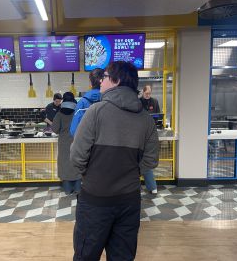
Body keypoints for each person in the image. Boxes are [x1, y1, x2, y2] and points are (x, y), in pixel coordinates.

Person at [70, 61, 159, 261]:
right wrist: (130, 173)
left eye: (105, 76)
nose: (101, 80)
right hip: (129, 201)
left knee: (86, 255)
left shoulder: (95, 112)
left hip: (94, 199)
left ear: (116, 81)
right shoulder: (146, 119)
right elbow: (151, 160)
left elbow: (77, 156)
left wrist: (92, 175)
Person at [52, 92, 81, 194]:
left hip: (64, 143)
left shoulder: (59, 114)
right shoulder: (77, 113)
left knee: (65, 164)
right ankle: (78, 189)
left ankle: (68, 190)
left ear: (63, 101)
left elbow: (55, 129)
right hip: (76, 142)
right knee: (76, 163)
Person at [69, 68, 104, 136]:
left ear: (90, 83)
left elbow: (74, 131)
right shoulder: (111, 101)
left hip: (89, 144)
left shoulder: (82, 103)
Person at [140, 85, 160, 194]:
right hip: (140, 133)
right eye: (146, 93)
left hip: (150, 133)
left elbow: (158, 116)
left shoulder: (155, 102)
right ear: (143, 92)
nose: (148, 95)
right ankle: (151, 186)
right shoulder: (138, 102)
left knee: (145, 161)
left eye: (149, 93)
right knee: (142, 161)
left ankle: (152, 187)